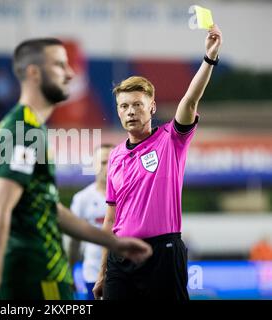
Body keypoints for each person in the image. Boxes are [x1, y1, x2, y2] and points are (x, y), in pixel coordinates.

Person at [0, 38, 152, 300]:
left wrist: (114, 243)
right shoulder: (21, 128)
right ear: (34, 73)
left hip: (48, 273)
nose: (70, 73)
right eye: (60, 65)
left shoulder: (34, 129)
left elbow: (49, 207)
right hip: (30, 276)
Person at [93, 25, 223, 300]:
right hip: (120, 257)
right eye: (124, 106)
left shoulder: (171, 139)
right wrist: (102, 270)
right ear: (117, 111)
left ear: (151, 107)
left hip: (162, 255)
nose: (130, 111)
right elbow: (110, 219)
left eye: (137, 104)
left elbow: (190, 99)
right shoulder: (115, 155)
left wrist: (209, 58)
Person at [68, 144, 114, 300]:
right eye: (102, 162)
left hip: (125, 274)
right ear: (93, 166)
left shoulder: (130, 197)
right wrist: (70, 272)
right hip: (92, 274)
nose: (107, 167)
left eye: (111, 161)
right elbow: (74, 241)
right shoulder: (82, 199)